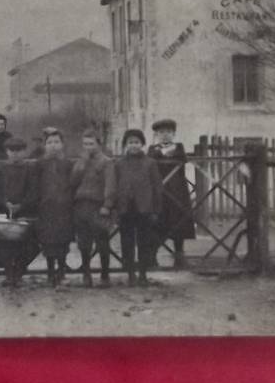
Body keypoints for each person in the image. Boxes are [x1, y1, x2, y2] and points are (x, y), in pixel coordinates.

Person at [102, 129, 163, 287]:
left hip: (144, 208)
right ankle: (130, 273)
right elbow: (114, 186)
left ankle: (143, 273)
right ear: (125, 145)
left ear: (142, 144)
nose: (134, 145)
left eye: (137, 142)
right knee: (127, 241)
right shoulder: (119, 163)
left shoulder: (150, 163)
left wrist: (156, 209)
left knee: (144, 241)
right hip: (125, 208)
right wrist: (114, 208)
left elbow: (157, 188)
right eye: (130, 142)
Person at [29, 127, 76, 288]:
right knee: (48, 242)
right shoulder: (39, 164)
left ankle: (62, 272)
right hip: (46, 209)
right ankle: (50, 272)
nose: (53, 145)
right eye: (50, 142)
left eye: (57, 142)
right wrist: (37, 204)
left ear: (62, 144)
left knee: (63, 241)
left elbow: (73, 185)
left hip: (64, 209)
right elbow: (34, 187)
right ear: (45, 146)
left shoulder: (68, 164)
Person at [0, 136, 40, 287]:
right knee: (4, 244)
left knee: (28, 244)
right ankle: (8, 274)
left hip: (25, 211)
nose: (15, 154)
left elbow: (34, 191)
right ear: (6, 152)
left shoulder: (30, 169)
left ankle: (19, 272)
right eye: (11, 151)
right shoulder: (0, 169)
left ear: (24, 151)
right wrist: (4, 203)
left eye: (18, 150)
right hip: (5, 212)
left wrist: (22, 205)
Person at [148, 118, 194, 269]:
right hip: (159, 192)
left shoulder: (178, 148)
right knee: (156, 223)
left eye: (168, 132)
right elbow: (150, 163)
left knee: (178, 222)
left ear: (174, 134)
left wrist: (166, 154)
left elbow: (182, 159)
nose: (165, 135)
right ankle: (152, 257)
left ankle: (179, 257)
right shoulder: (152, 149)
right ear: (156, 134)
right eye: (161, 132)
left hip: (177, 190)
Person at [71, 129, 114, 287]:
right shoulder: (80, 161)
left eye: (91, 144)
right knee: (84, 243)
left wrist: (107, 205)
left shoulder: (106, 162)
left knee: (102, 241)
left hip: (98, 205)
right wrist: (81, 164)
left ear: (98, 144)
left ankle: (104, 275)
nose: (88, 147)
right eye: (85, 144)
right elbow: (73, 182)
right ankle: (86, 274)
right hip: (81, 205)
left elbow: (110, 185)